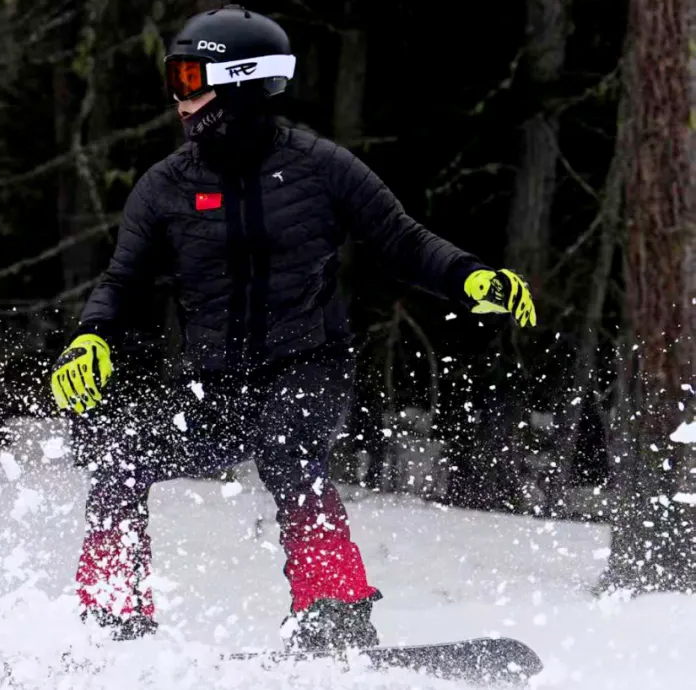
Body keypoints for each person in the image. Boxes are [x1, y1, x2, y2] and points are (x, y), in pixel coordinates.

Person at [48, 4, 536, 653]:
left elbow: (401, 240)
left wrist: (470, 278)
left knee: (287, 449)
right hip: (217, 383)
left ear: (242, 81)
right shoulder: (165, 186)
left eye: (191, 79)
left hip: (309, 364)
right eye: (175, 79)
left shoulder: (318, 165)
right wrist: (93, 335)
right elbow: (123, 280)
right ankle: (114, 616)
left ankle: (334, 610)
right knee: (122, 461)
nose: (179, 98)